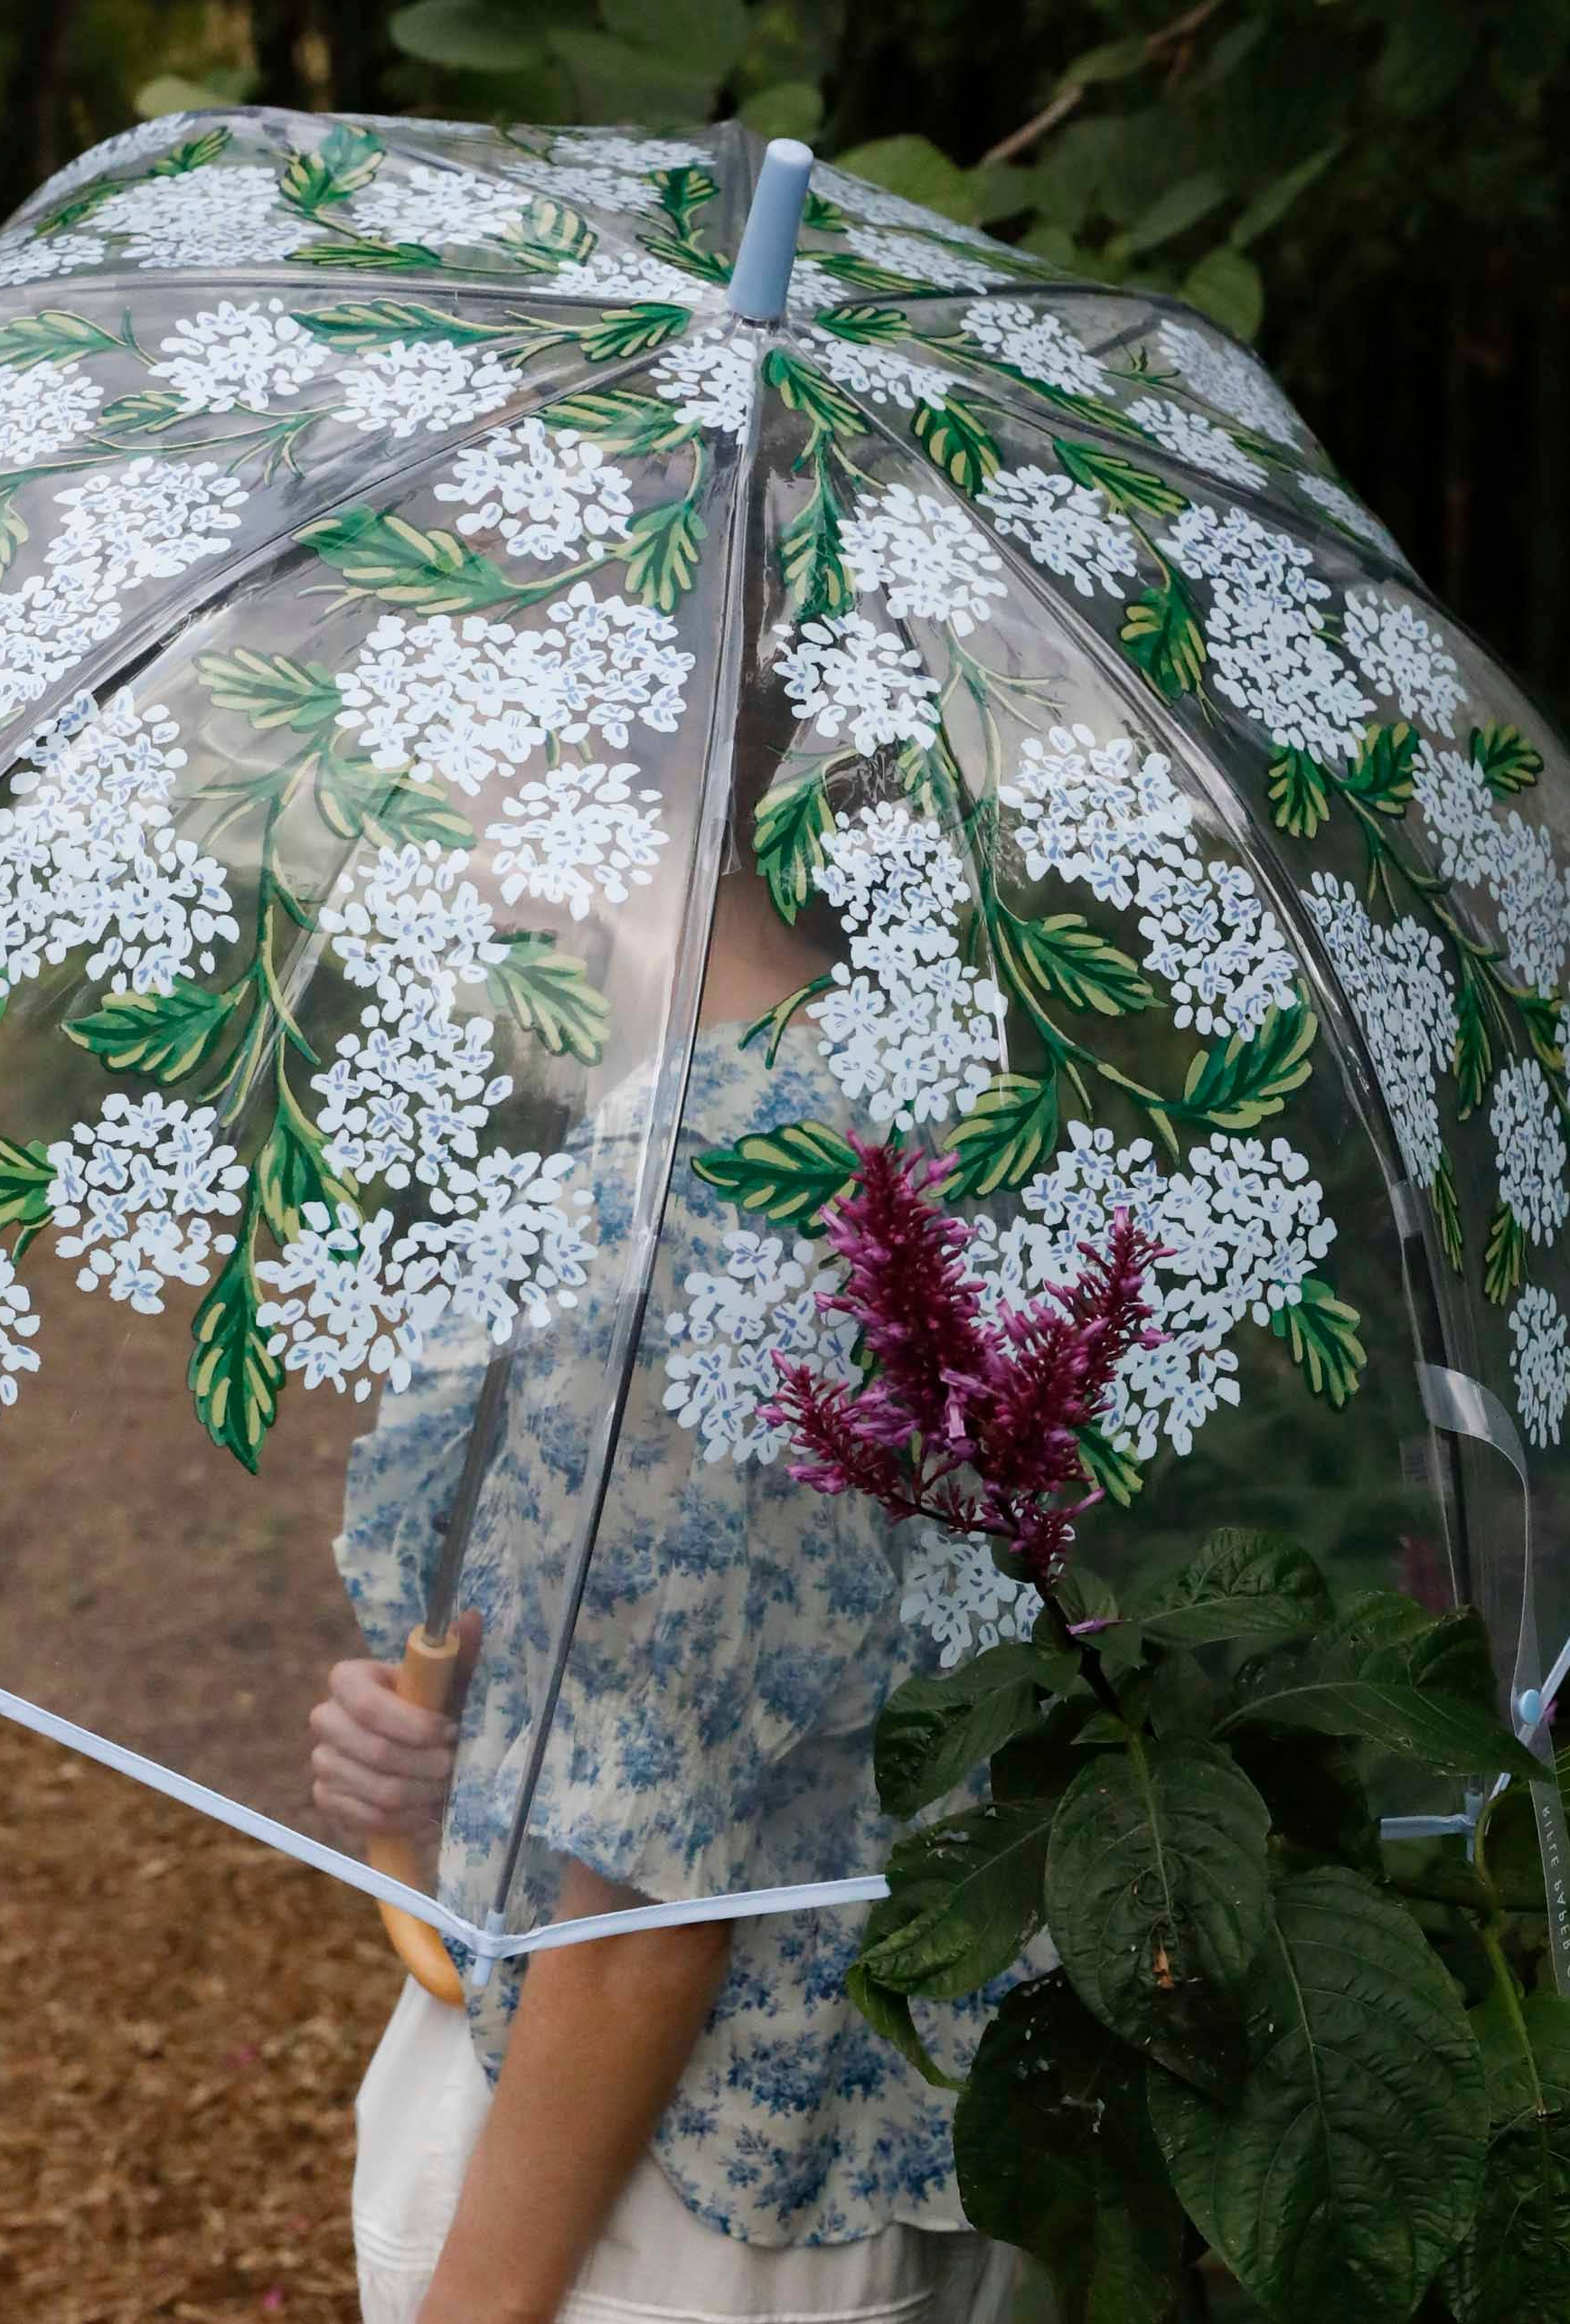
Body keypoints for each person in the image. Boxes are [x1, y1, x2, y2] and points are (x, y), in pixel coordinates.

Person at [306, 883, 1040, 2324]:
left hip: (657, 2225)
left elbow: (646, 1903)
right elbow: (821, 1666)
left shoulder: (701, 1192)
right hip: (861, 2135)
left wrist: (479, 2301)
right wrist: (445, 1753)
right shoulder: (912, 1082)